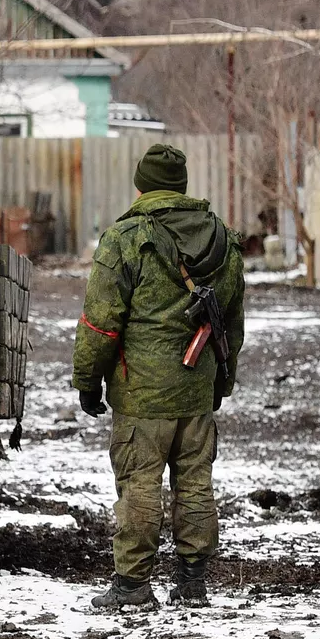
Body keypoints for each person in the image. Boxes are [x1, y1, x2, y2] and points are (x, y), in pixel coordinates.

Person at [71, 145, 246, 611]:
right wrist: (221, 384)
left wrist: (88, 381)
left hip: (142, 394)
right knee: (196, 484)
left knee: (140, 484)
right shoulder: (222, 238)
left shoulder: (125, 238)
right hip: (197, 390)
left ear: (141, 185)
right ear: (181, 186)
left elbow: (100, 323)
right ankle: (192, 583)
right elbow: (231, 323)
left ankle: (132, 586)